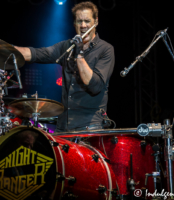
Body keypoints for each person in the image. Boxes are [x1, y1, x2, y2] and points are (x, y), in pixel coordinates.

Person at [15, 1, 115, 132]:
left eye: (87, 21)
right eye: (79, 21)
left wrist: (79, 54)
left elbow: (94, 86)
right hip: (64, 126)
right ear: (74, 24)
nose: (83, 25)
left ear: (96, 22)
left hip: (90, 127)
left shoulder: (105, 49)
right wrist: (4, 49)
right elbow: (36, 54)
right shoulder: (66, 46)